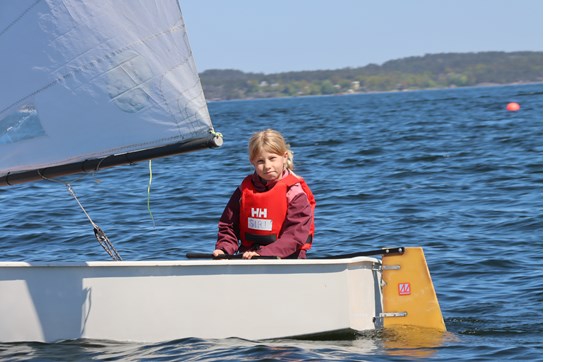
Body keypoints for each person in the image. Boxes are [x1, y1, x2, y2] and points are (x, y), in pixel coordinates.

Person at [213, 129, 315, 259]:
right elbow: (229, 226)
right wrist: (223, 249)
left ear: (284, 157)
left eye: (272, 158)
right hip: (249, 256)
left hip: (288, 259)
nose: (267, 166)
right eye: (260, 161)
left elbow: (295, 236)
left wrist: (263, 254)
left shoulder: (295, 193)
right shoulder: (243, 190)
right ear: (252, 162)